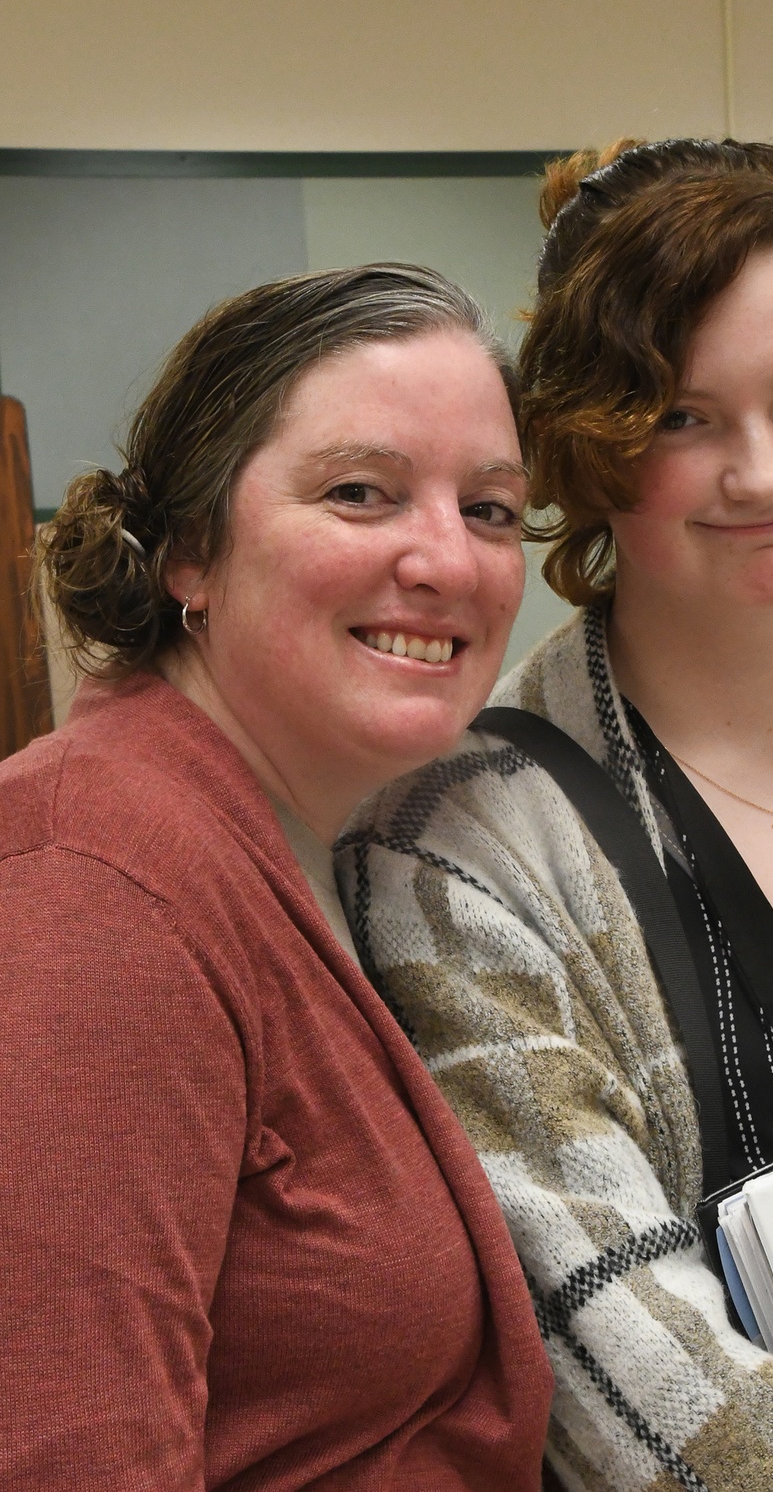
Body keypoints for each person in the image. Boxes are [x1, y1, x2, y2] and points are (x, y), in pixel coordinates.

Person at [336, 141, 773, 1492]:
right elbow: (598, 1315)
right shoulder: (449, 838)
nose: (762, 472)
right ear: (590, 443)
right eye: (685, 417)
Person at [0, 264, 553, 1490]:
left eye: (493, 510)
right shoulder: (92, 885)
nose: (446, 563)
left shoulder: (324, 847)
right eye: (360, 494)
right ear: (191, 551)